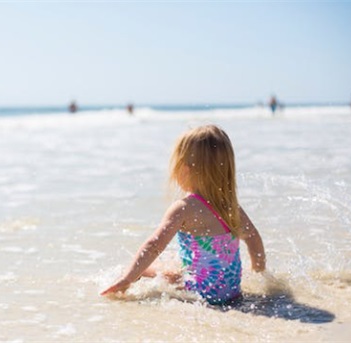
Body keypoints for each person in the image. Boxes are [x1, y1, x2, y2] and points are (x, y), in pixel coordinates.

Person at [101, 125, 266, 305]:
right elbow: (253, 238)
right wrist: (259, 274)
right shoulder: (231, 207)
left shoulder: (184, 208)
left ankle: (122, 280)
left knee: (144, 271)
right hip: (231, 293)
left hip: (202, 294)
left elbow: (154, 245)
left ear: (185, 169)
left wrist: (128, 278)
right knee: (176, 262)